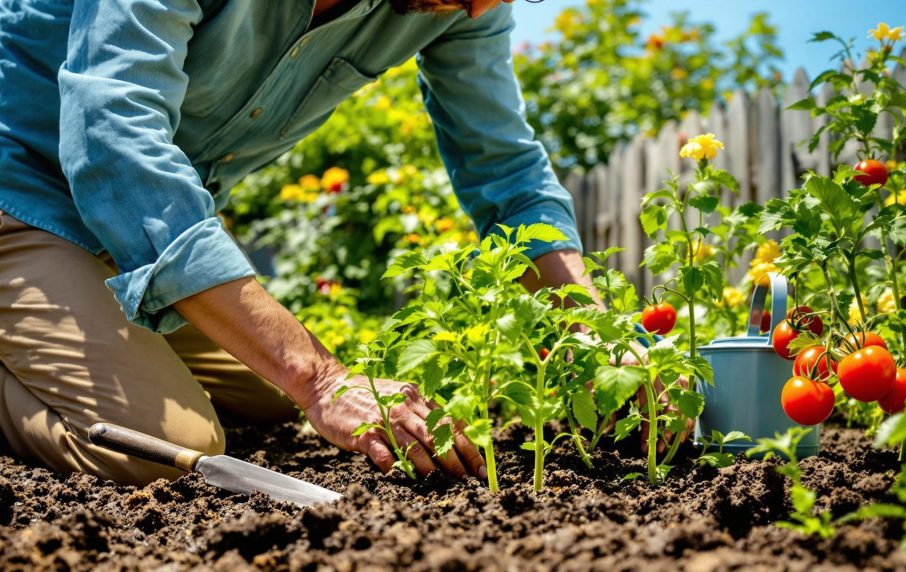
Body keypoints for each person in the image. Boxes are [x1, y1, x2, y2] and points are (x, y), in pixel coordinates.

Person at [0, 0, 601, 485]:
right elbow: (113, 137)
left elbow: (509, 179)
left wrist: (599, 338)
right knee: (166, 448)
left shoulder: (458, 5)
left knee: (268, 398)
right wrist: (320, 380)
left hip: (124, 238)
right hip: (21, 190)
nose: (484, 10)